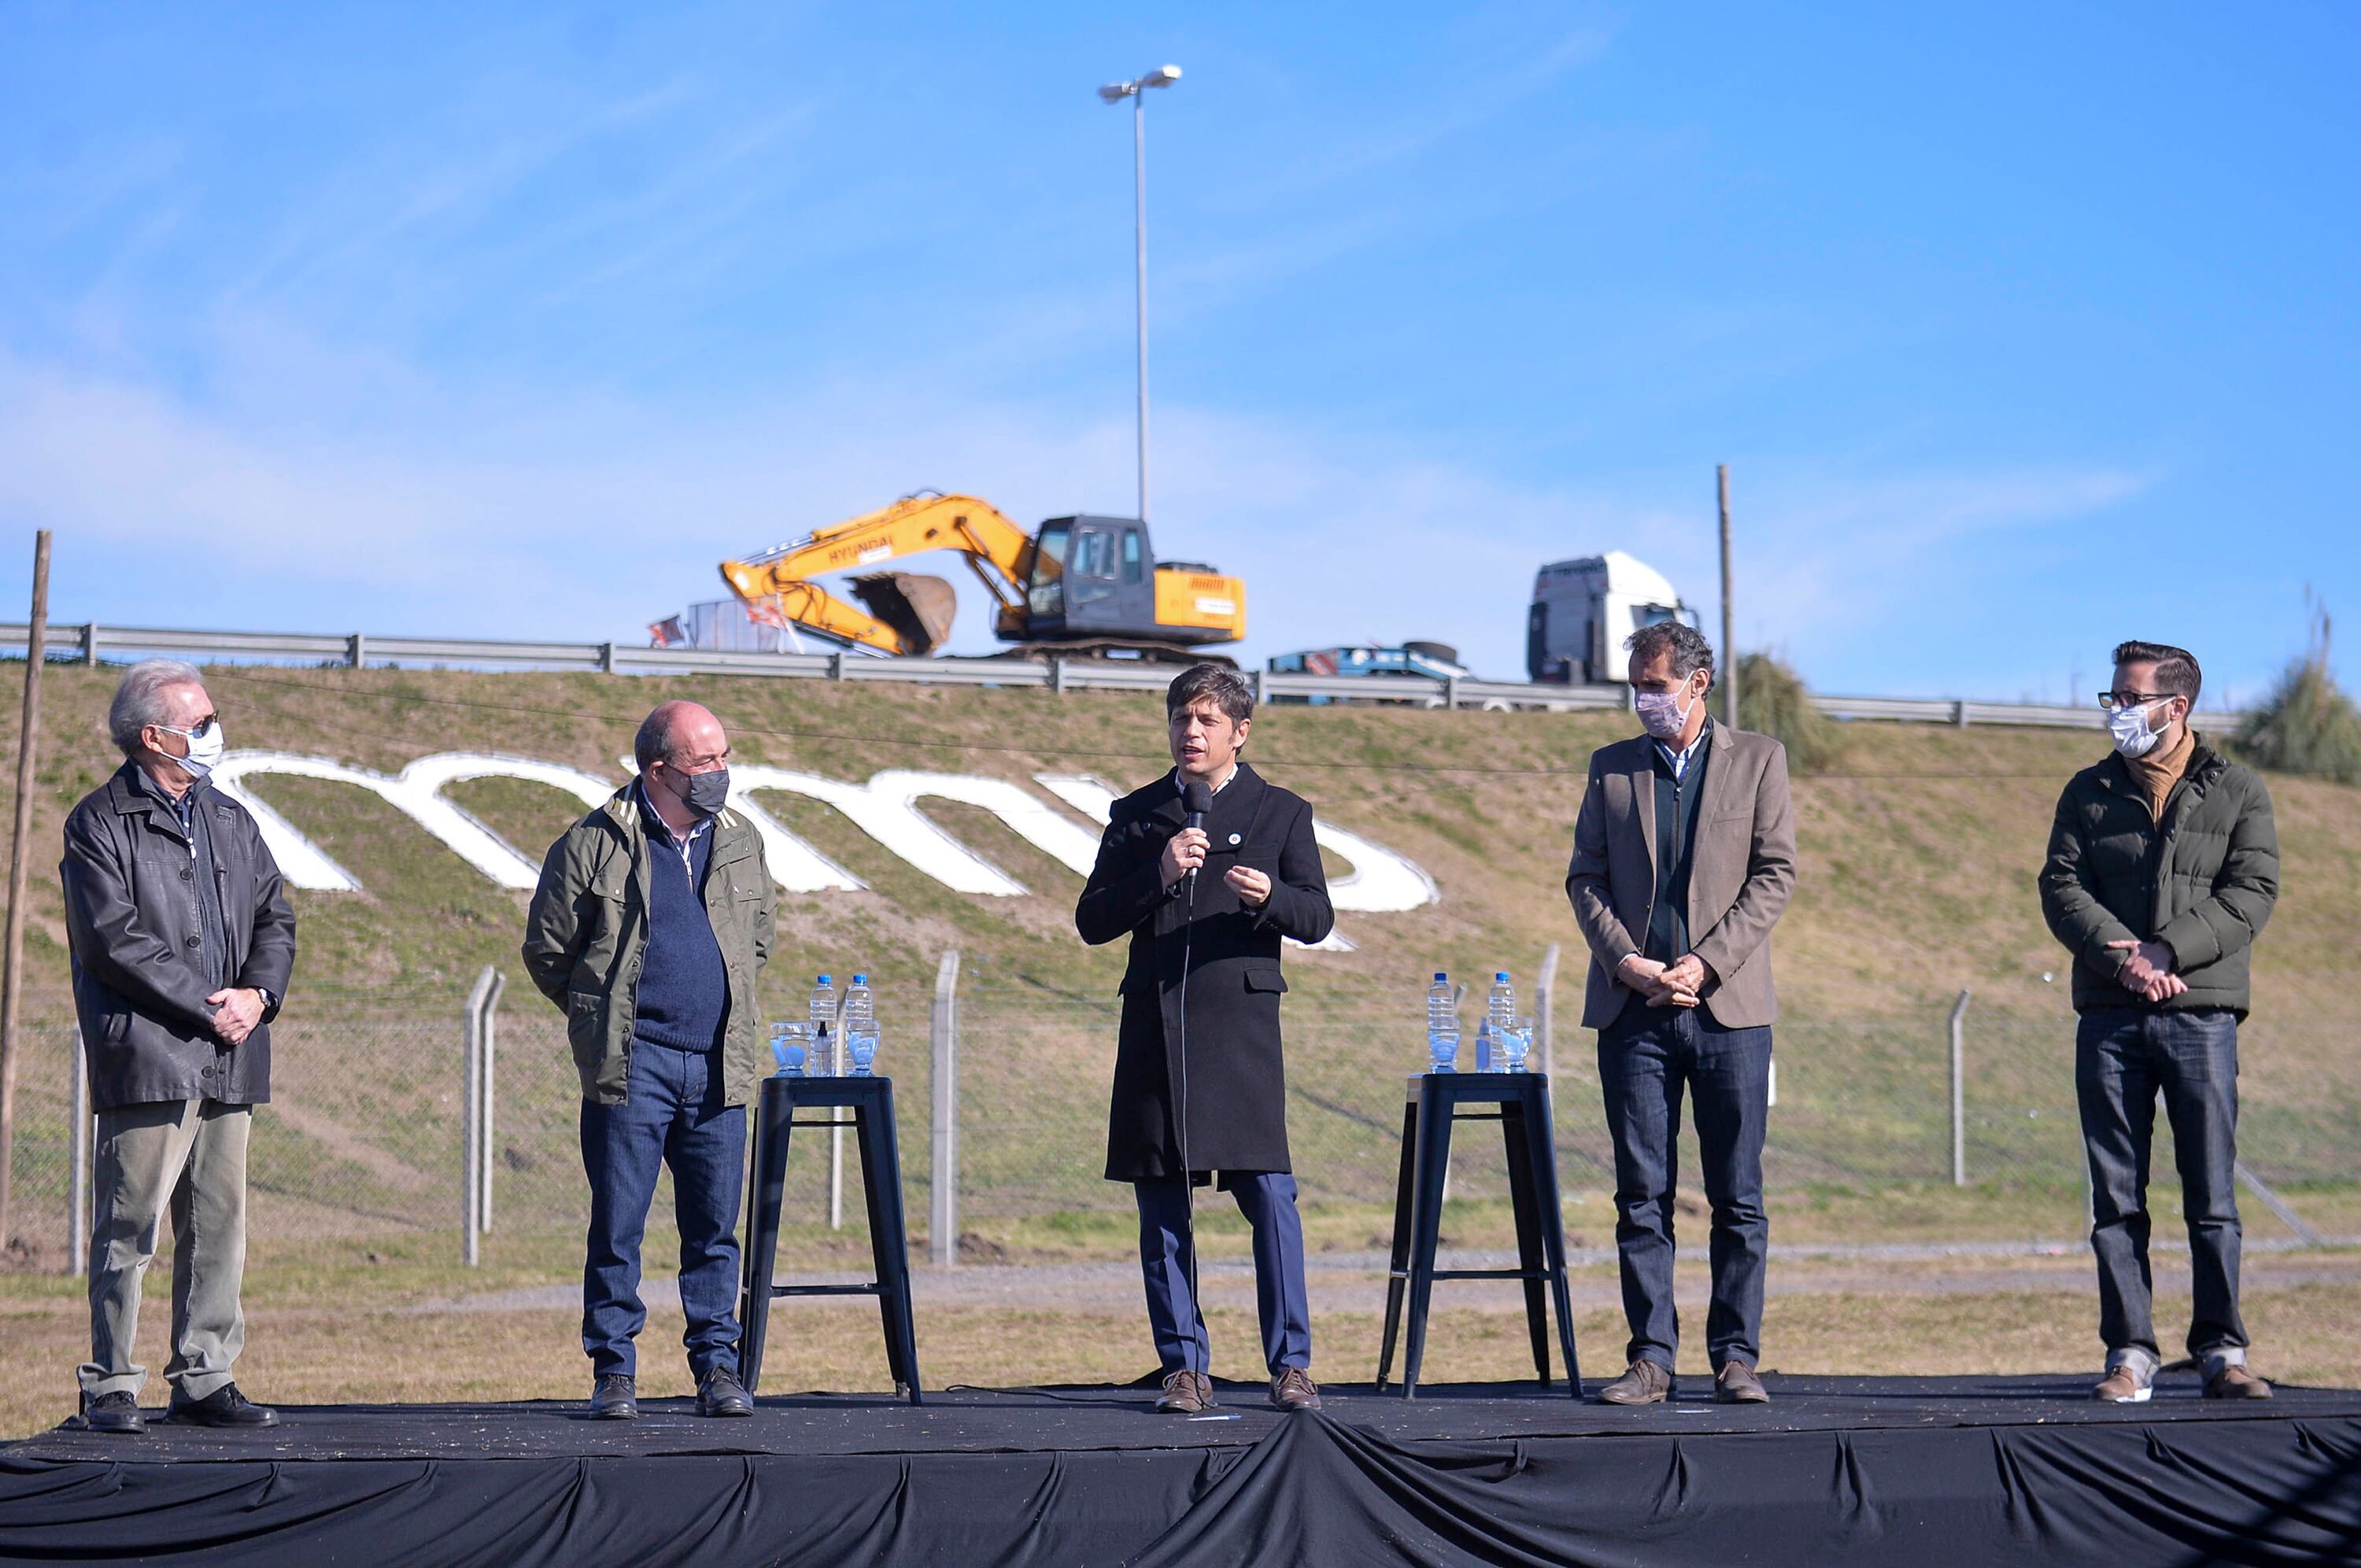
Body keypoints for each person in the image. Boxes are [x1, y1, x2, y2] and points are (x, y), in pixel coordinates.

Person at [1076, 664, 1335, 1415]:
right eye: (1180, 719)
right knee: (1164, 1204)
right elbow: (1092, 919)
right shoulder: (1137, 813)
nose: (1190, 733)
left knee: (1270, 1201)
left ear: (1240, 731)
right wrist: (1158, 871)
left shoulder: (1281, 812)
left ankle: (1291, 1365)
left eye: (1207, 721)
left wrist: (1272, 898)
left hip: (1241, 1037)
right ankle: (1184, 1365)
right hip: (1158, 1030)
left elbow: (1317, 916)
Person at [60, 659, 297, 1434]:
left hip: (232, 1055)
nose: (213, 731)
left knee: (220, 1225)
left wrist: (257, 996)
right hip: (153, 1054)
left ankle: (205, 1375)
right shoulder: (99, 822)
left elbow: (275, 917)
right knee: (131, 1225)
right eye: (200, 722)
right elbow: (112, 941)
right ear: (152, 735)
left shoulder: (232, 818)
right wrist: (209, 1002)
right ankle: (111, 1383)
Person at [2039, 640, 2278, 1404]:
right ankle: (2130, 1352)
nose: (2116, 710)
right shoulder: (2088, 791)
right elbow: (2061, 884)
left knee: (2211, 1197)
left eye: (2128, 696)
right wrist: (2127, 963)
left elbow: (2253, 890)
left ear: (2176, 707)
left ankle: (2222, 1349)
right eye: (2112, 696)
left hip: (2202, 1017)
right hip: (2111, 1019)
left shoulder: (2238, 789)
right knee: (2117, 1199)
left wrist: (2170, 949)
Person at [1565, 623, 1798, 1405]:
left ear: (1697, 685)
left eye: (1657, 684)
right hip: (1634, 1013)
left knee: (1738, 1195)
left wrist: (1707, 961)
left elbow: (1774, 873)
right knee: (1642, 1194)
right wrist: (1626, 962)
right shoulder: (1611, 769)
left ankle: (1737, 1358)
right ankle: (1651, 1359)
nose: (1643, 698)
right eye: (1636, 684)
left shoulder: (1759, 759)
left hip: (1730, 1012)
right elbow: (1585, 879)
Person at [523, 700, 774, 1421]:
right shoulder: (592, 843)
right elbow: (549, 951)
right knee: (619, 1225)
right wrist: (603, 1023)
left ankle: (717, 1368)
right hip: (633, 1069)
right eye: (705, 762)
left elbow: (758, 939)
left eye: (725, 756)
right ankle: (614, 1371)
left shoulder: (741, 840)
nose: (721, 773)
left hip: (719, 1065)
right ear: (657, 769)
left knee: (714, 1230)